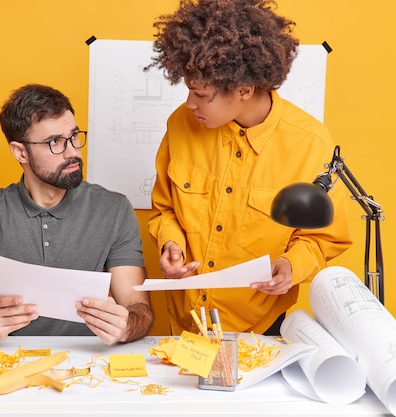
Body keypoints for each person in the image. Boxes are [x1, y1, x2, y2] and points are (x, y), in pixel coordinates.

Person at [145, 0, 352, 335]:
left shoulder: (310, 144)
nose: (189, 103)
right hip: (186, 322)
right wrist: (172, 243)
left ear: (244, 89)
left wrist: (290, 265)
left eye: (201, 94)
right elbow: (165, 208)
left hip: (259, 328)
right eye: (189, 91)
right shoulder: (181, 125)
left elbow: (323, 238)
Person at [0, 83, 154, 345]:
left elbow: (140, 310)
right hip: (5, 367)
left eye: (74, 136)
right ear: (20, 152)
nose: (73, 151)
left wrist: (125, 326)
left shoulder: (114, 210)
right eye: (55, 142)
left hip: (91, 366)